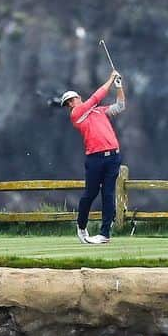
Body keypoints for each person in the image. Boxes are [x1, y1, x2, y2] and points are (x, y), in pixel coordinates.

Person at [59, 64, 126, 244]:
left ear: (77, 97)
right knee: (90, 193)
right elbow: (96, 97)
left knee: (109, 194)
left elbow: (120, 106)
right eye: (68, 103)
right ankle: (81, 226)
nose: (71, 103)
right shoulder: (77, 114)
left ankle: (104, 234)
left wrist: (118, 86)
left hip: (113, 156)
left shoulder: (98, 111)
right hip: (94, 158)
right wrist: (111, 79)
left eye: (72, 99)